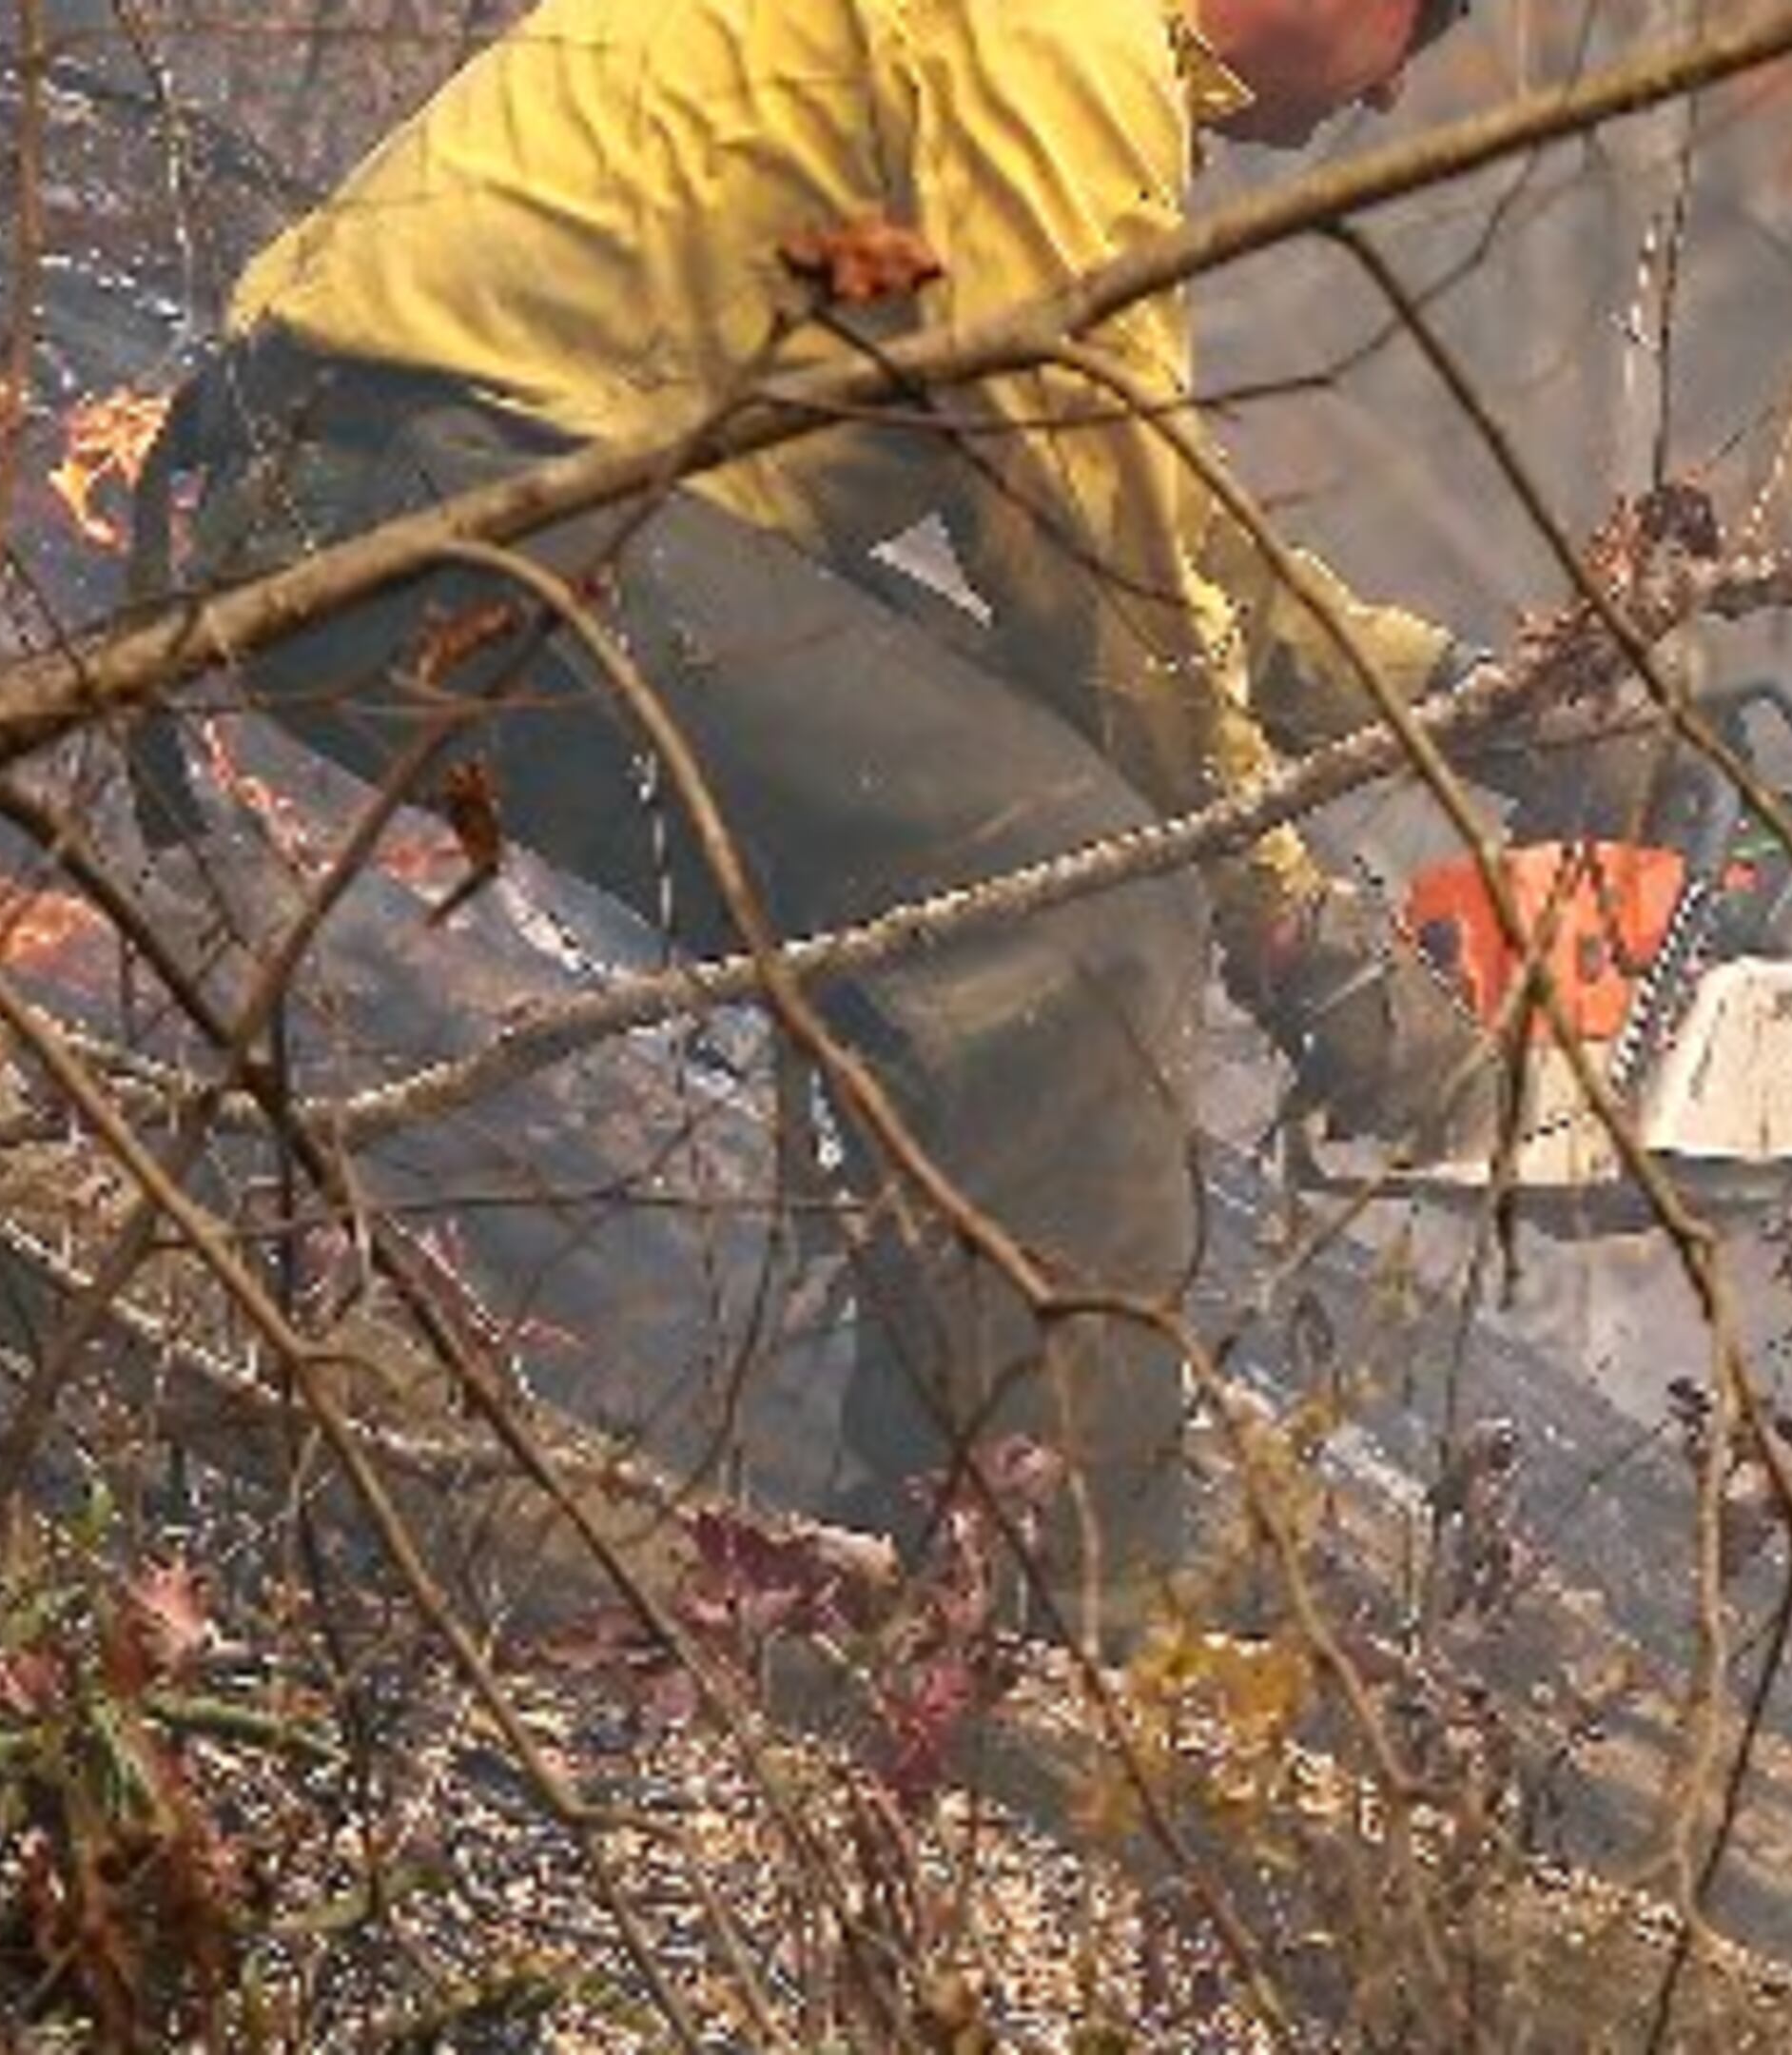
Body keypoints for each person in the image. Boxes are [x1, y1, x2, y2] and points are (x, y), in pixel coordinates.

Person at [129, 0, 1502, 1625]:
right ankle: (1055, 1621)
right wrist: (1288, 920)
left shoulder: (1062, 65)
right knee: (1077, 894)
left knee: (1050, 844)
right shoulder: (1062, 45)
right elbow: (1082, 546)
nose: (1401, 82)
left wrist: (1478, 698)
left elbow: (1140, 509)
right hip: (411, 500)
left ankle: (927, 1555)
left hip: (439, 478)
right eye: (1425, 23)